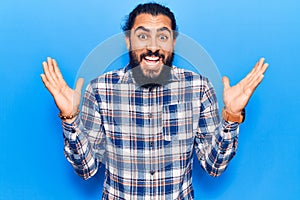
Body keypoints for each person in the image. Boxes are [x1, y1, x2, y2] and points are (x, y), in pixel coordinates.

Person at [41, 3, 268, 200]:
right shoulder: (100, 89)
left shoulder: (199, 88)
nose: (152, 46)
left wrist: (231, 116)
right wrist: (70, 118)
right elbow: (86, 170)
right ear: (128, 40)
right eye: (142, 36)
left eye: (162, 36)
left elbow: (214, 167)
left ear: (173, 42)